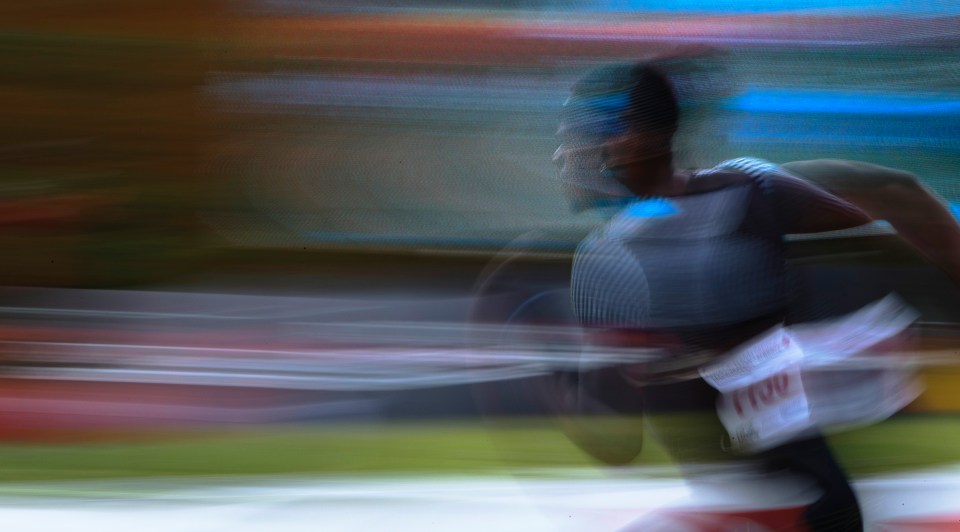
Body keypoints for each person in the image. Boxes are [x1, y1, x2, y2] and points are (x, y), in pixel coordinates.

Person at [554, 61, 960, 531]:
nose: (566, 153)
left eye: (584, 133)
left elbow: (617, 447)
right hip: (819, 498)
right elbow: (898, 193)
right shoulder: (749, 186)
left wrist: (553, 380)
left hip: (758, 504)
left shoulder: (608, 260)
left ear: (637, 138)